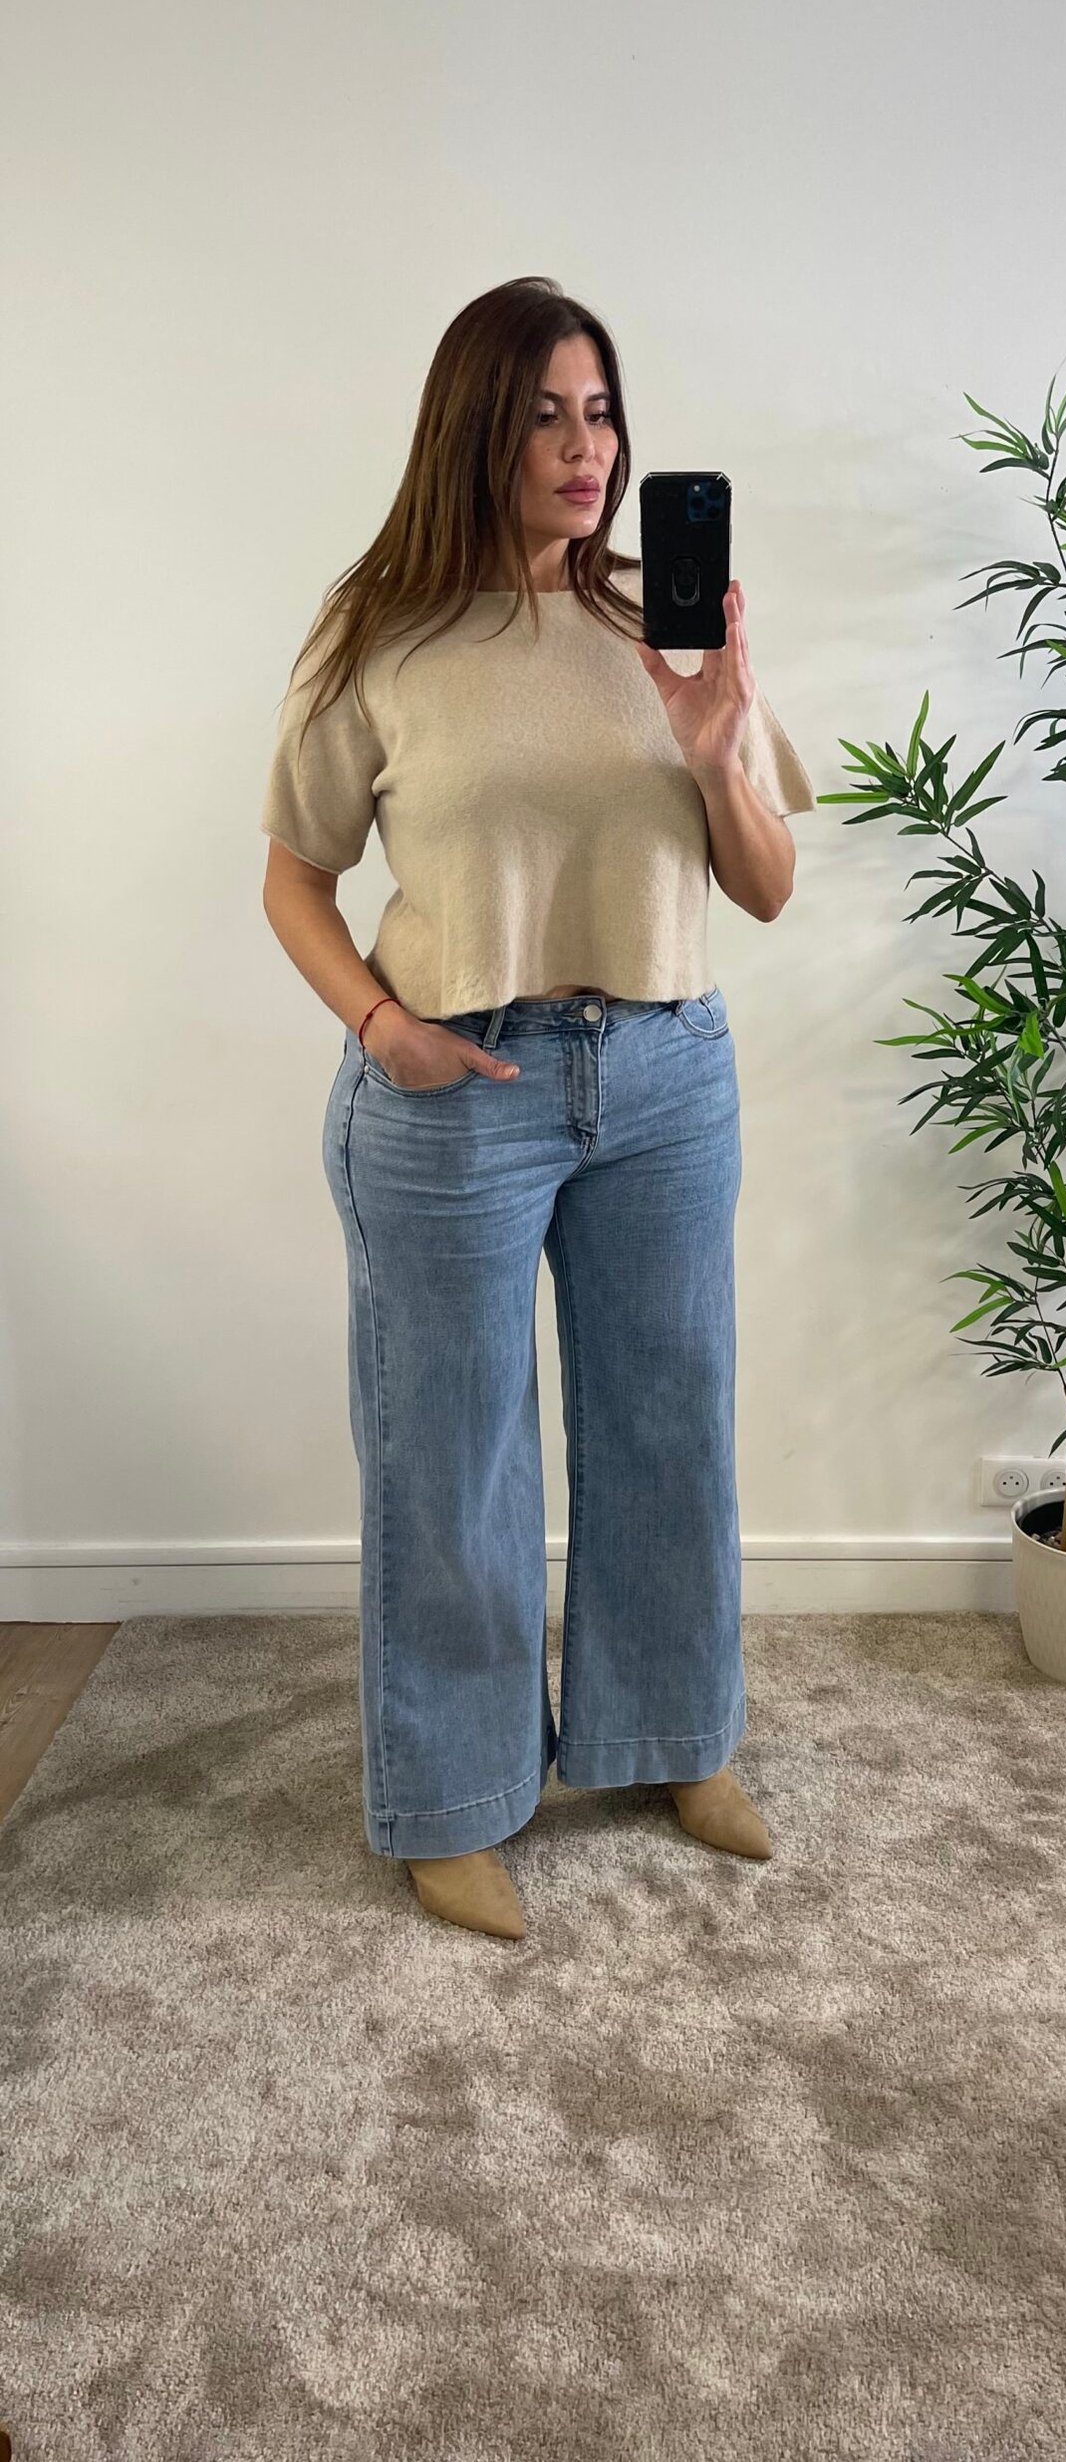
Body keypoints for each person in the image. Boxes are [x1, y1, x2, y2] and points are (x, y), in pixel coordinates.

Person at [259, 277, 816, 1941]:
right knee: (452, 1456)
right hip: (456, 1090)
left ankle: (675, 1738)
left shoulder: (665, 621)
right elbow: (293, 878)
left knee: (670, 1420)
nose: (589, 449)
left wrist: (713, 742)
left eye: (603, 412)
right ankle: (452, 1795)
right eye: (547, 416)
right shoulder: (380, 634)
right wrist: (383, 1028)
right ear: (474, 431)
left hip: (665, 1075)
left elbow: (769, 885)